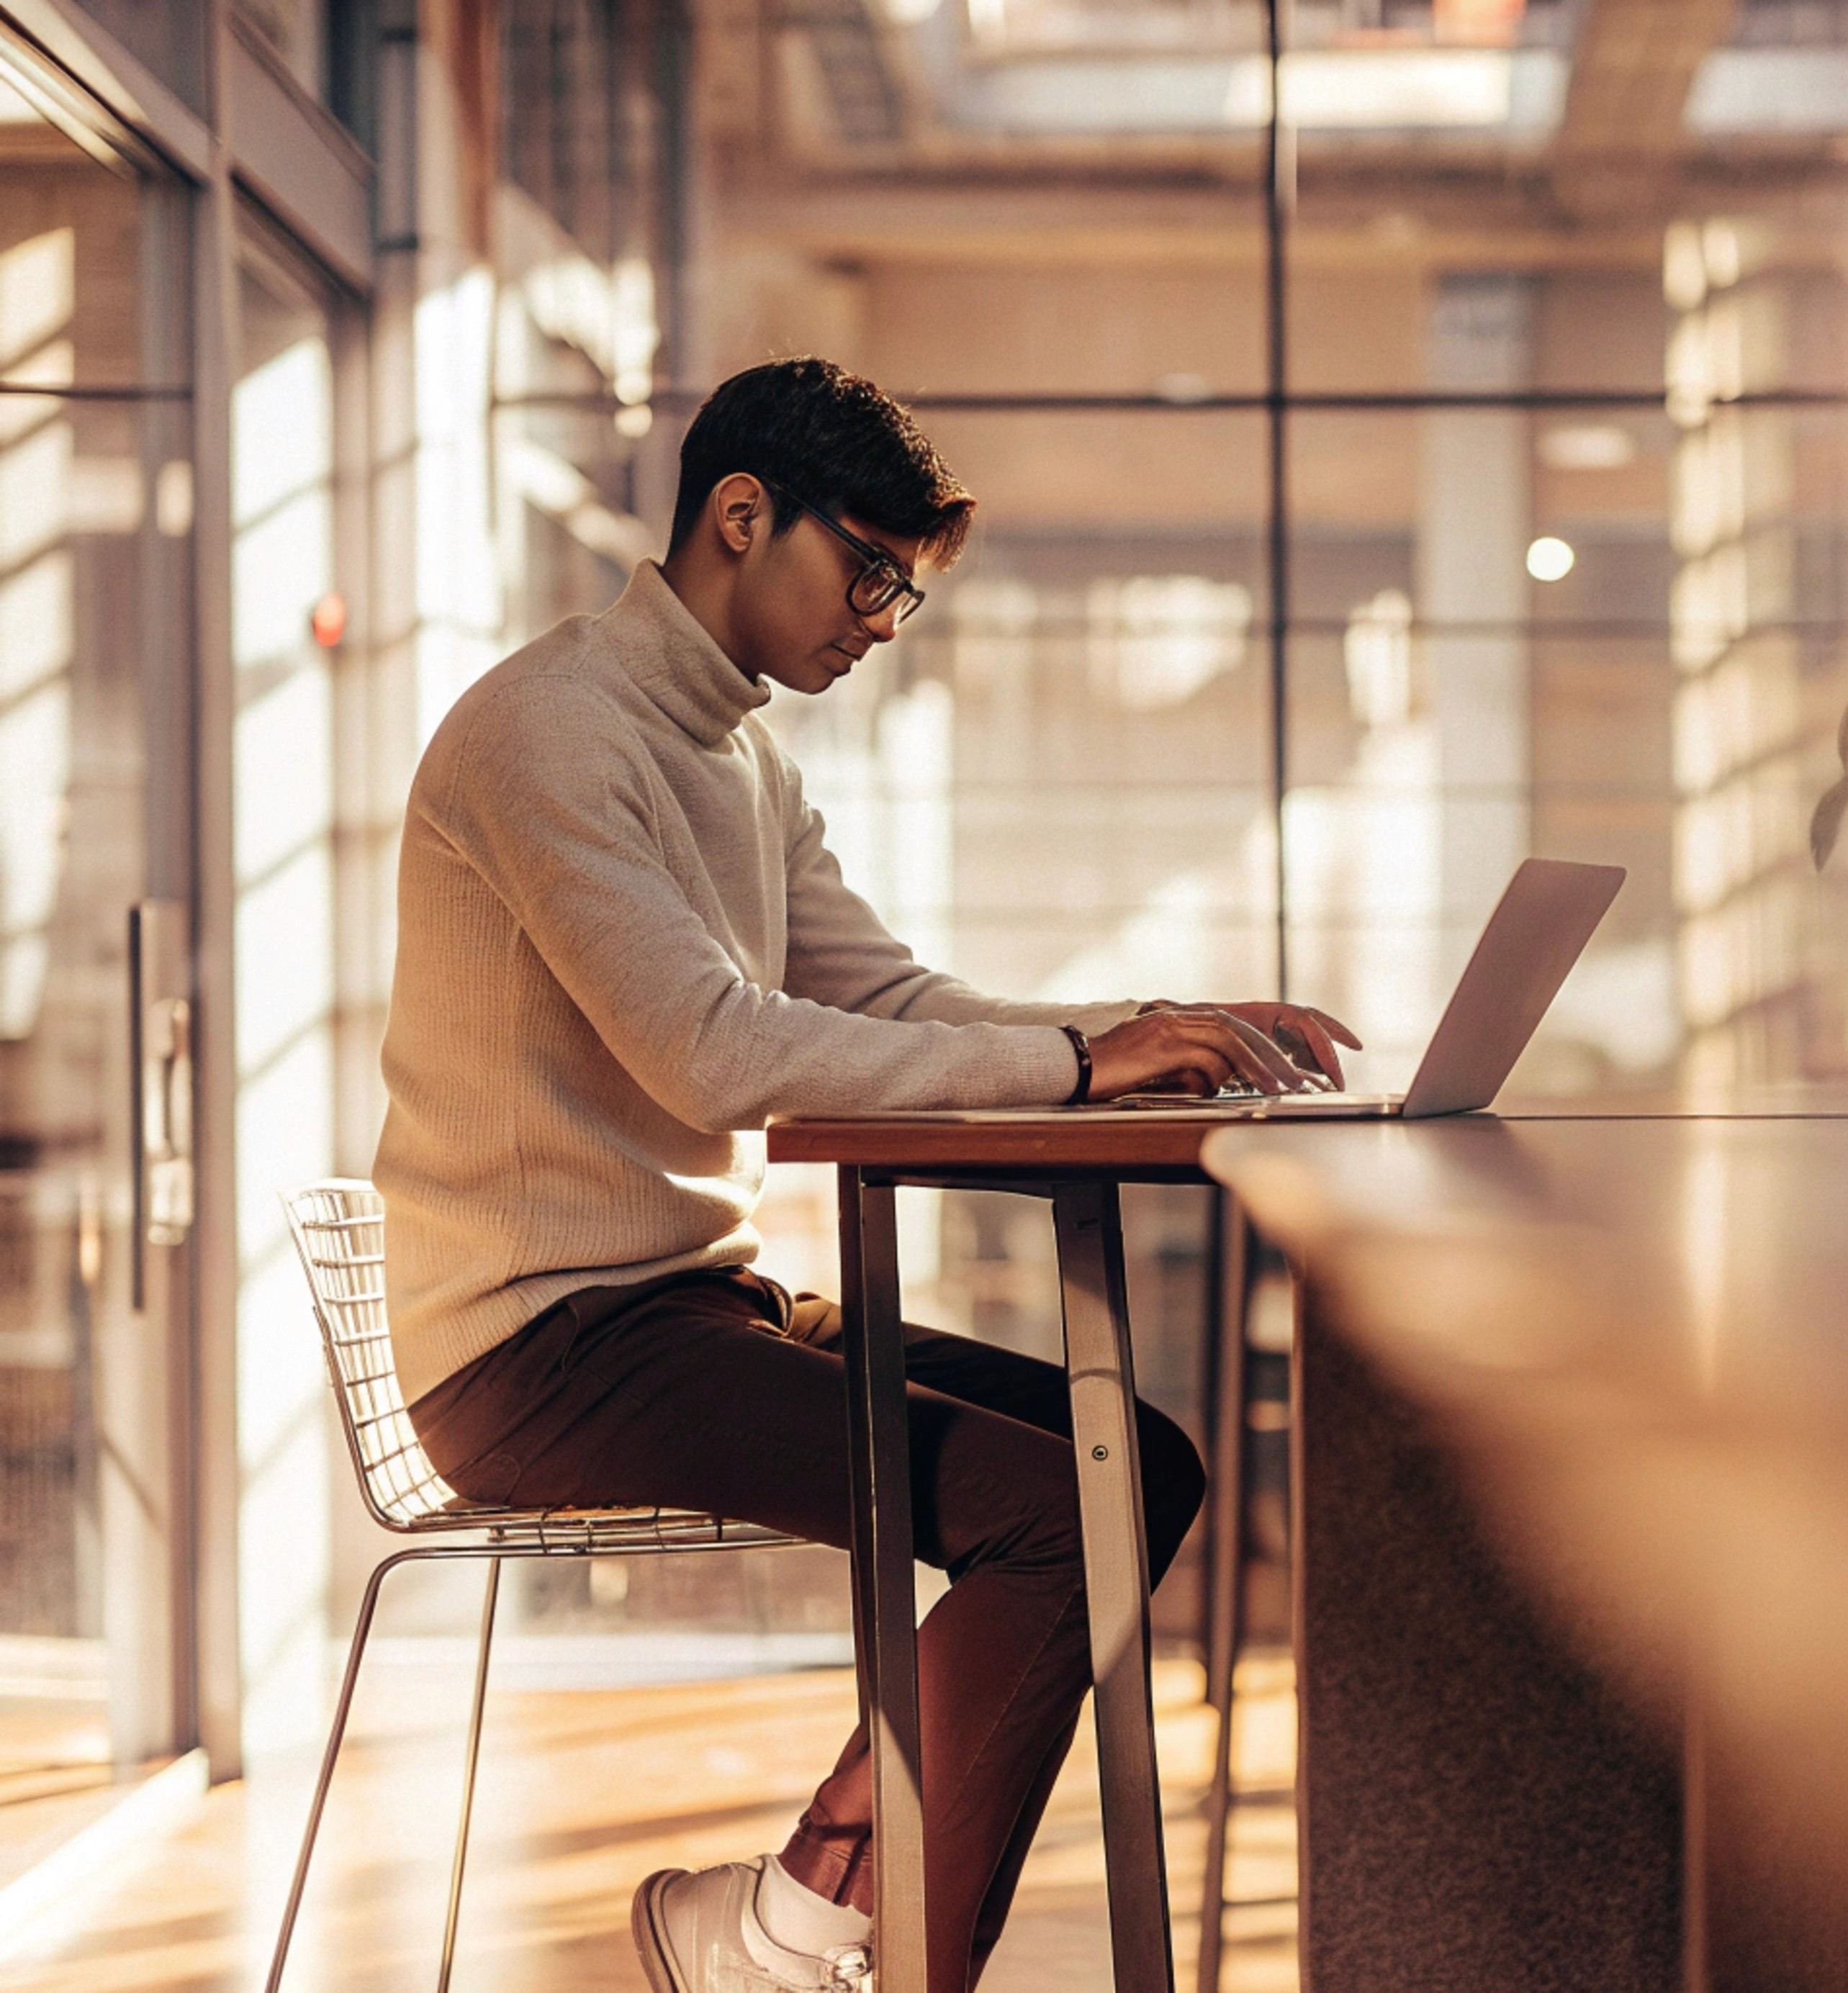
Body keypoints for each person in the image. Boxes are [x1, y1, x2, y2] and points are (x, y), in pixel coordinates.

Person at [374, 356, 1357, 1993]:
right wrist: (1076, 1064)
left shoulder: (743, 756)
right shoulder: (547, 731)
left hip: (685, 1306)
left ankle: (787, 1918)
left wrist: (1145, 1027)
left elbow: (888, 997)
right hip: (535, 1347)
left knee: (1138, 1461)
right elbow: (717, 1049)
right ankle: (835, 1946)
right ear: (741, 516)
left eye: (907, 588)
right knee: (1058, 1505)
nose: (886, 622)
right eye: (872, 574)